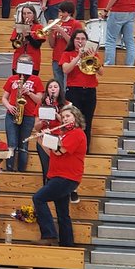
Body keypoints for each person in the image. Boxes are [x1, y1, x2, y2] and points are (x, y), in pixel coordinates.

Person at [31, 104, 87, 246]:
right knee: (63, 214)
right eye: (63, 117)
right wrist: (40, 140)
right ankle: (67, 245)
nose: (65, 119)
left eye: (68, 116)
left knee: (38, 198)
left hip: (67, 177)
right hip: (57, 176)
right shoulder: (64, 134)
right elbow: (52, 154)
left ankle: (49, 234)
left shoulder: (77, 133)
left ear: (76, 117)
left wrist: (48, 138)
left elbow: (59, 151)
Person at [61, 28, 102, 152]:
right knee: (74, 122)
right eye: (77, 39)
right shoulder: (67, 54)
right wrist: (78, 56)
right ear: (73, 40)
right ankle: (71, 148)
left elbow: (101, 72)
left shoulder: (93, 53)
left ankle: (85, 150)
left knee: (87, 122)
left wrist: (92, 57)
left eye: (83, 39)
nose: (80, 41)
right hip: (74, 91)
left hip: (90, 91)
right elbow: (66, 70)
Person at [2, 55, 42, 173]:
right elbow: (4, 98)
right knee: (12, 143)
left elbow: (39, 100)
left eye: (26, 63)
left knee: (23, 145)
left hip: (29, 115)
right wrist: (9, 106)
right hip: (12, 114)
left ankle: (21, 171)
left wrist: (29, 93)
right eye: (21, 63)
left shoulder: (36, 80)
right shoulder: (12, 78)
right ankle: (9, 169)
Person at [32, 80, 67, 183]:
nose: (52, 89)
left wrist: (56, 114)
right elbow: (36, 127)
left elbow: (68, 124)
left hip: (59, 139)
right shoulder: (40, 104)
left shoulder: (66, 104)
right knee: (46, 170)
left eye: (55, 87)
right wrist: (43, 120)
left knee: (60, 170)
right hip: (44, 139)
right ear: (47, 90)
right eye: (50, 87)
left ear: (60, 89)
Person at [47, 1, 81, 90]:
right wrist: (50, 32)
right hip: (56, 58)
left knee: (67, 85)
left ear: (69, 13)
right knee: (58, 85)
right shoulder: (57, 24)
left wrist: (61, 30)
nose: (60, 14)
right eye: (59, 12)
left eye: (63, 12)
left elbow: (74, 43)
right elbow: (52, 44)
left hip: (69, 59)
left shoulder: (76, 24)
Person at [10, 4, 44, 76]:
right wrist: (20, 37)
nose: (26, 15)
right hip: (18, 59)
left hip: (33, 60)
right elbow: (14, 46)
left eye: (29, 13)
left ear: (34, 14)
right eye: (24, 13)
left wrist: (28, 37)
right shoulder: (18, 27)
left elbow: (37, 45)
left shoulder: (39, 27)